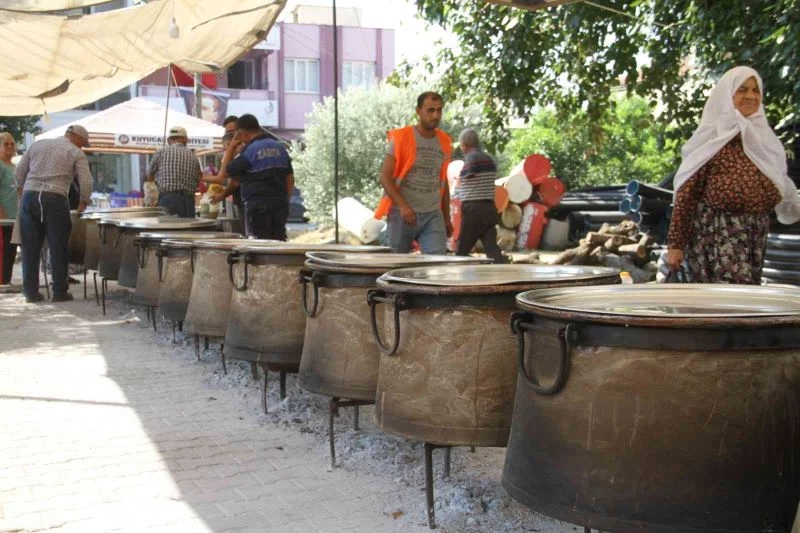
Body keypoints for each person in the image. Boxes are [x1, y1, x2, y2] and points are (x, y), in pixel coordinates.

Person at [665, 66, 800, 284]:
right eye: (742, 90)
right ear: (727, 96)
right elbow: (686, 194)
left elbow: (783, 185)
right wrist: (676, 245)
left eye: (755, 90)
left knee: (746, 297)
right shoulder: (711, 139)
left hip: (754, 233)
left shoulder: (765, 142)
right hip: (717, 234)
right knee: (731, 296)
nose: (751, 96)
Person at [15, 124, 91, 302]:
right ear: (75, 136)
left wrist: (21, 191)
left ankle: (30, 292)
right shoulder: (75, 153)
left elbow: (19, 171)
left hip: (30, 197)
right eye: (82, 143)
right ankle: (59, 291)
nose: (82, 147)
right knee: (58, 246)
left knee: (30, 248)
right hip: (55, 198)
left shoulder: (38, 145)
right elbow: (86, 181)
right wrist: (83, 202)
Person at [375, 91, 453, 254]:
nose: (435, 115)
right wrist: (403, 207)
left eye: (439, 110)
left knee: (437, 263)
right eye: (430, 110)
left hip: (433, 214)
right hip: (402, 214)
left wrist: (447, 216)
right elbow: (384, 177)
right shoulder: (401, 138)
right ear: (418, 111)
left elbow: (442, 181)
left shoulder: (444, 141)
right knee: (396, 264)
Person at [214, 114, 294, 240]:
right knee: (278, 243)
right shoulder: (280, 148)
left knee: (258, 245)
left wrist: (232, 147)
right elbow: (290, 179)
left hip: (257, 209)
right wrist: (285, 202)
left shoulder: (250, 151)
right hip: (279, 206)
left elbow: (225, 173)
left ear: (244, 135)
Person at [455, 128, 506, 263]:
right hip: (489, 208)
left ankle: (457, 272)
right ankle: (502, 270)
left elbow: (467, 175)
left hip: (473, 209)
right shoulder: (489, 159)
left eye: (461, 145)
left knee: (462, 249)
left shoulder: (471, 158)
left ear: (465, 144)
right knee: (491, 247)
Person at [146, 126, 202, 218]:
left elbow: (149, 176)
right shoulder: (194, 157)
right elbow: (198, 180)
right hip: (189, 203)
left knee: (168, 227)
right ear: (186, 140)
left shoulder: (161, 152)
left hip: (168, 200)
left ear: (168, 140)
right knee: (187, 227)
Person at [0, 133, 18, 284]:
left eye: (12, 144)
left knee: (11, 250)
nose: (10, 147)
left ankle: (6, 280)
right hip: (3, 217)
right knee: (4, 250)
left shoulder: (14, 166)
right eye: (6, 144)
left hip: (14, 217)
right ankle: (3, 281)